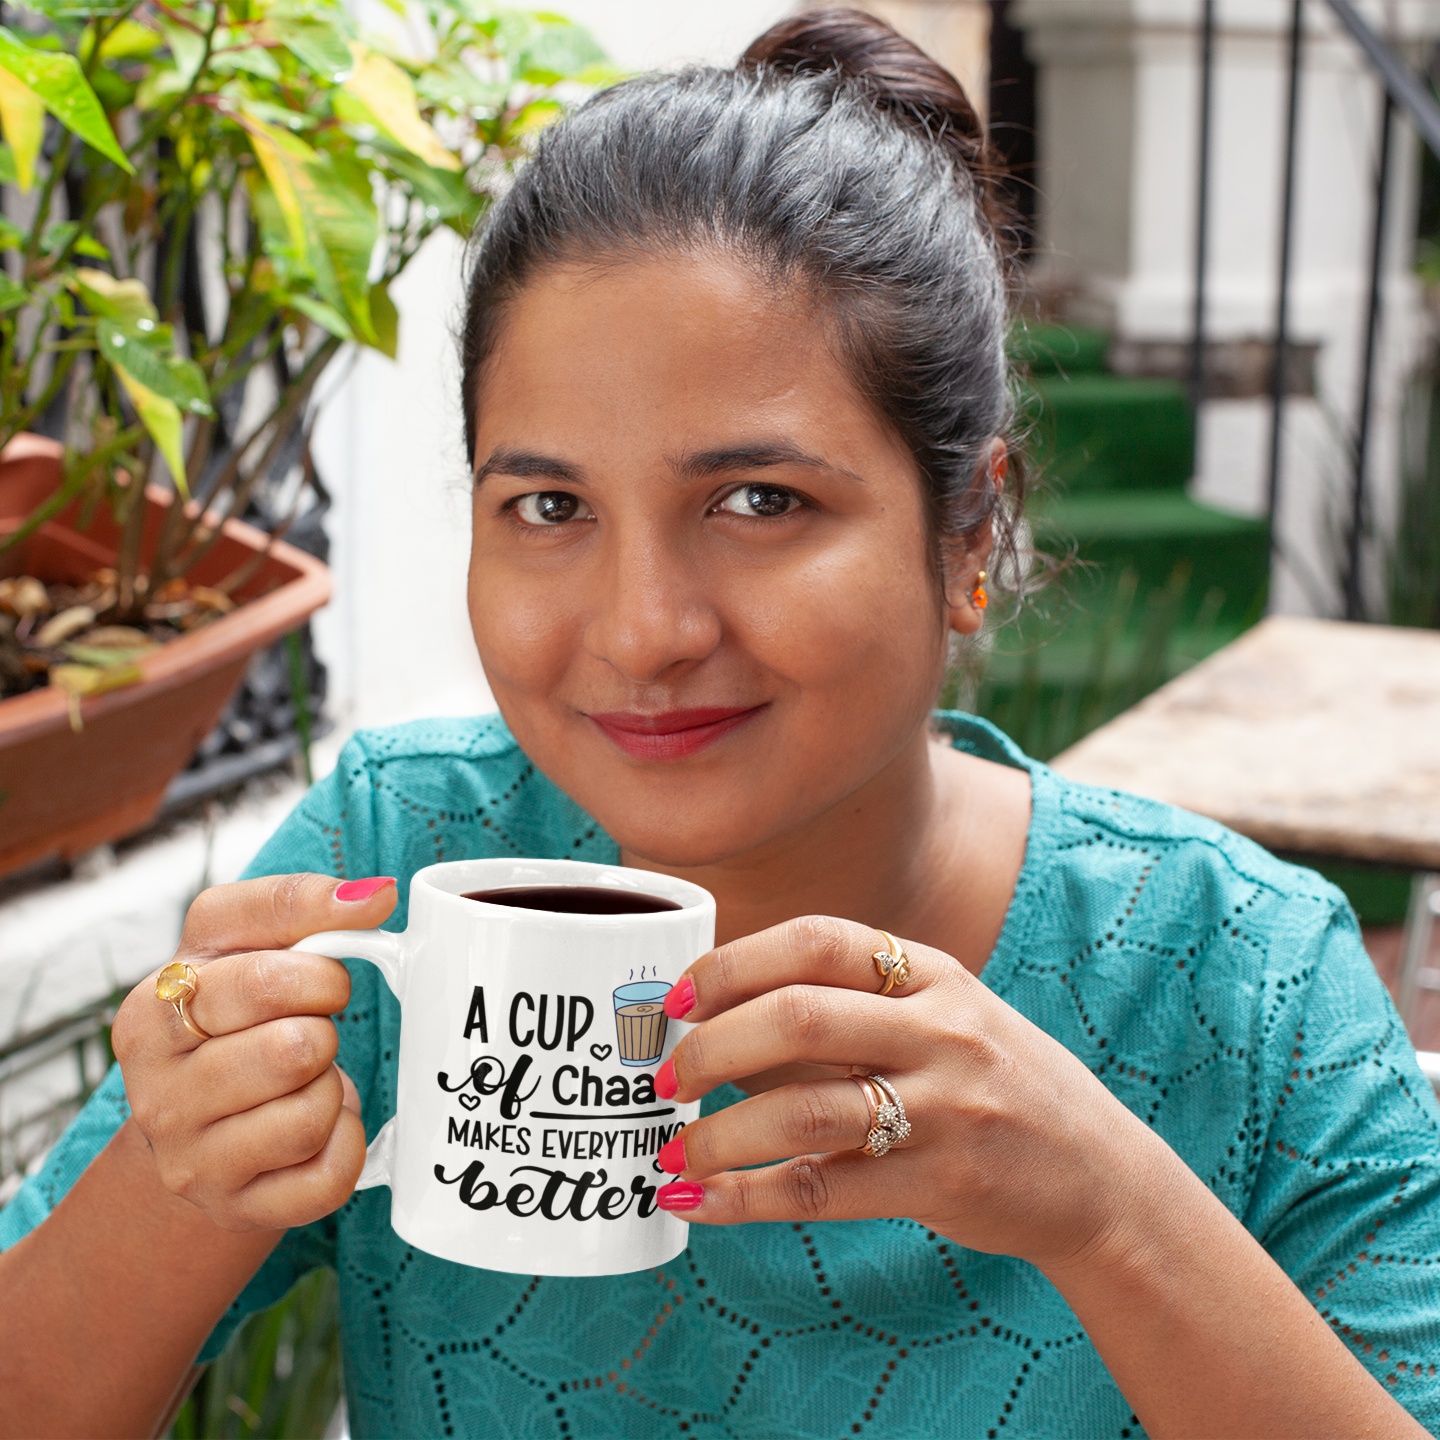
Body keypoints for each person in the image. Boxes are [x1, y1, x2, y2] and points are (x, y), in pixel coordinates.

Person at [2, 10, 1438, 1438]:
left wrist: (1107, 1215)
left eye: (761, 502)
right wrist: (172, 1175)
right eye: (549, 508)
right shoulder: (408, 855)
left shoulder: (1235, 982)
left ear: (967, 535)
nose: (641, 629)